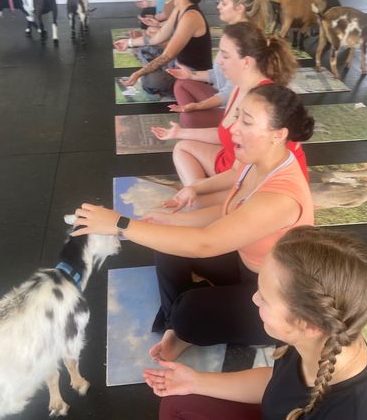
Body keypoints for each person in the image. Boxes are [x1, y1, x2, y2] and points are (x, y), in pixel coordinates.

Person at [74, 83, 314, 361]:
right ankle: (175, 323)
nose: (234, 128)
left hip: (275, 296)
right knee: (169, 237)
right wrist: (173, 219)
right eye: (237, 116)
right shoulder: (254, 160)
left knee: (188, 313)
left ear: (278, 134)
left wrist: (121, 223)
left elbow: (206, 243)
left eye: (246, 122)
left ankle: (181, 321)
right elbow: (231, 212)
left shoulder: (281, 196)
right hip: (244, 263)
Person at [144, 226, 367, 420]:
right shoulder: (323, 331)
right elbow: (278, 381)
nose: (254, 299)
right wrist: (195, 381)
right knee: (178, 403)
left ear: (307, 323)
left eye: (265, 299)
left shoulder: (353, 410)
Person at [151, 22, 308, 197]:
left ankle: (201, 197)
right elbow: (223, 133)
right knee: (182, 148)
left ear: (246, 62)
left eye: (225, 55)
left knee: (193, 205)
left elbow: (243, 174)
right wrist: (179, 133)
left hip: (251, 179)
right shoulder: (239, 87)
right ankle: (200, 195)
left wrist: (196, 190)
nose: (218, 61)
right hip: (232, 163)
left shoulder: (260, 101)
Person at [167, 0, 270, 128]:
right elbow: (218, 74)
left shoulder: (244, 41)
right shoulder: (233, 32)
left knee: (189, 119)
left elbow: (230, 93)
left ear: (239, 8)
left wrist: (199, 106)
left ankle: (214, 127)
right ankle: (203, 123)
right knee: (182, 84)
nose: (218, 6)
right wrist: (191, 75)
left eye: (223, 3)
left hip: (238, 107)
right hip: (224, 96)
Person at [114, 0, 213, 97]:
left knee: (151, 81)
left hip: (191, 74)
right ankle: (157, 69)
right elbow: (158, 37)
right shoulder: (179, 8)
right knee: (147, 47)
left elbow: (167, 56)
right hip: (176, 62)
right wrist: (128, 43)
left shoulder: (191, 16)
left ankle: (183, 89)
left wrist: (138, 73)